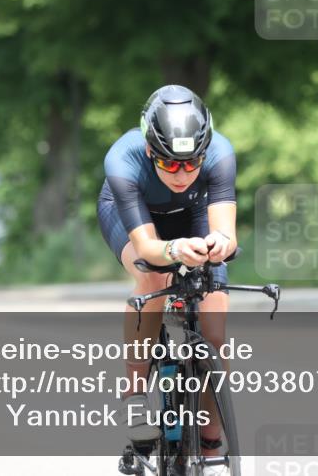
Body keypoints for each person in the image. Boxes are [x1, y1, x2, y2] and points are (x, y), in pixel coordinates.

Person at [96, 84, 237, 467]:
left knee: (215, 329)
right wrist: (174, 250)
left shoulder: (221, 153)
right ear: (149, 151)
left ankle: (210, 439)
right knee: (155, 276)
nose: (182, 173)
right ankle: (135, 393)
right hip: (136, 215)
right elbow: (146, 247)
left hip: (194, 211)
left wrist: (219, 246)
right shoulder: (122, 160)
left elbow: (225, 231)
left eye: (192, 163)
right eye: (170, 163)